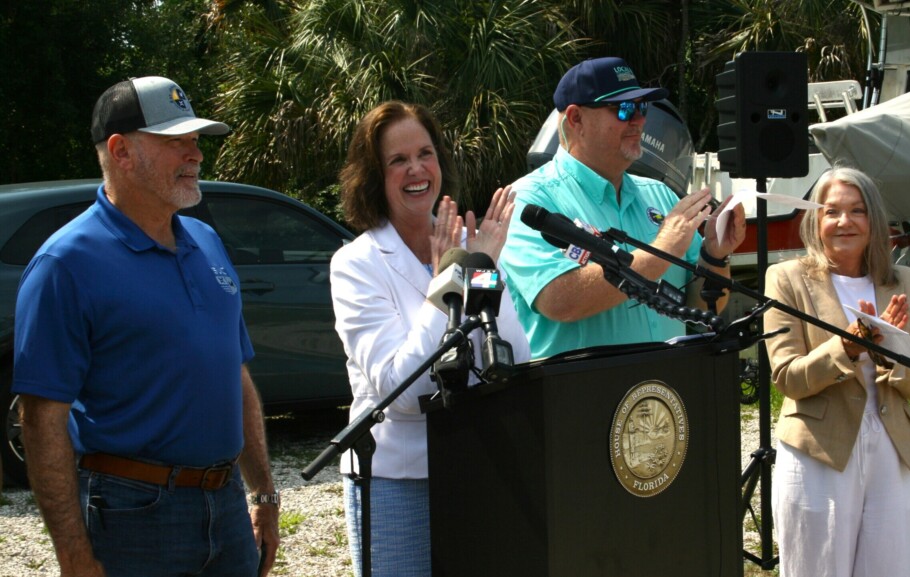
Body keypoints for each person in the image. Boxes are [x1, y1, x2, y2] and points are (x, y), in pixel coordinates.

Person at [12, 76, 280, 577]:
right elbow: (42, 420)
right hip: (133, 517)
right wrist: (73, 554)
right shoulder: (65, 263)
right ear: (121, 151)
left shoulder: (205, 241)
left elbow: (233, 374)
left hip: (224, 510)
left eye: (196, 141)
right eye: (175, 141)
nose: (195, 154)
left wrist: (263, 493)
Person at [330, 101, 530, 576]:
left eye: (425, 153)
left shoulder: (471, 248)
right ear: (373, 176)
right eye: (397, 161)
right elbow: (406, 392)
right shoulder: (357, 265)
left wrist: (486, 269)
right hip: (398, 483)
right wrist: (446, 280)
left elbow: (516, 360)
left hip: (481, 470)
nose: (416, 169)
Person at [500, 56, 746, 359]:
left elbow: (698, 307)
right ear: (576, 119)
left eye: (642, 107)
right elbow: (560, 300)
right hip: (579, 398)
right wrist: (663, 249)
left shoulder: (660, 195)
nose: (639, 120)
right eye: (624, 109)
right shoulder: (529, 200)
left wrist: (715, 254)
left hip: (661, 396)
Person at [763, 167, 910, 577]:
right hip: (820, 448)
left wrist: (893, 348)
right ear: (816, 222)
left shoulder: (906, 281)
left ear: (873, 220)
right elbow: (788, 377)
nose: (844, 222)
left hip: (892, 447)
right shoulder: (786, 278)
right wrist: (846, 345)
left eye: (857, 210)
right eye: (832, 212)